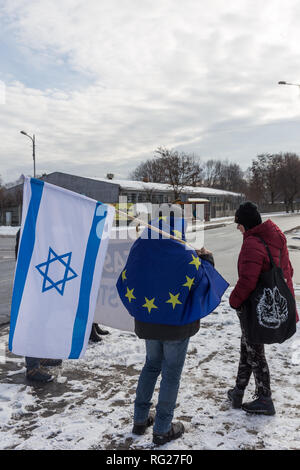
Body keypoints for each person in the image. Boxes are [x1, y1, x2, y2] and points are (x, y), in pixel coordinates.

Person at [117, 216, 228, 446]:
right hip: (176, 326)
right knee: (171, 373)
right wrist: (207, 259)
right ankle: (162, 428)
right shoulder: (185, 254)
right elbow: (202, 281)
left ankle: (140, 419)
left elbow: (126, 276)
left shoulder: (140, 247)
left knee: (151, 365)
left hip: (148, 321)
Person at [228, 202, 298, 415]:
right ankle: (239, 390)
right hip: (269, 299)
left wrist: (234, 300)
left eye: (239, 224)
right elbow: (287, 270)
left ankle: (265, 398)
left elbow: (248, 280)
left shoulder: (252, 243)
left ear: (246, 223)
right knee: (247, 346)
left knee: (254, 350)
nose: (238, 228)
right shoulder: (274, 235)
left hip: (254, 305)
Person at [15, 229, 62, 383]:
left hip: (45, 282)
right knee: (34, 324)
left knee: (43, 323)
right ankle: (32, 368)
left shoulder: (45, 224)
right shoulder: (27, 228)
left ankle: (41, 356)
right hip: (33, 283)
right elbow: (23, 260)